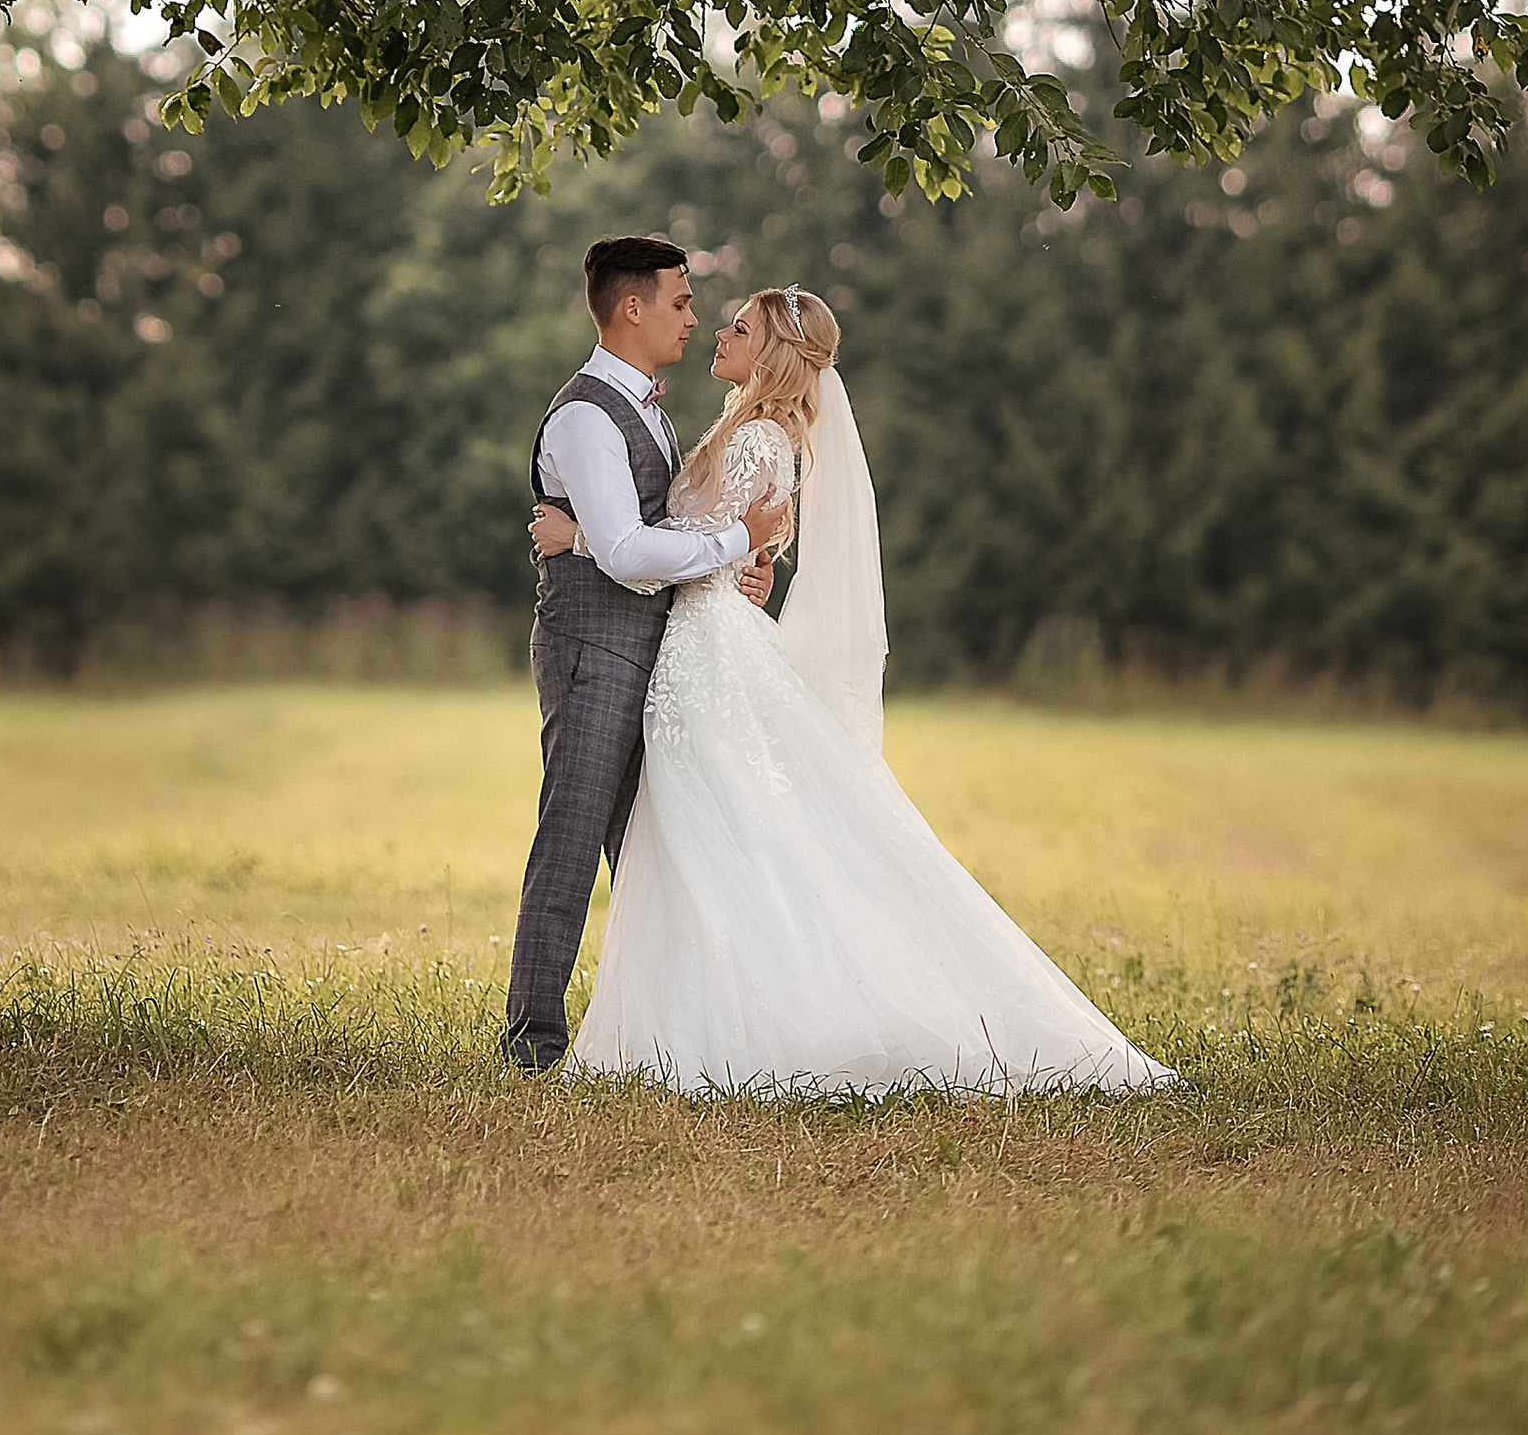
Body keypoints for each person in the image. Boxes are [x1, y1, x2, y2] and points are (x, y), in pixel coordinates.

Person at [530, 282, 1176, 1101]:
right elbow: (720, 547)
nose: (716, 332)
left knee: (732, 841)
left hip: (711, 657)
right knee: (701, 842)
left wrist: (580, 535)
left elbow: (694, 540)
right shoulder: (740, 428)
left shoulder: (763, 437)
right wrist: (743, 559)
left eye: (738, 326)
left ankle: (755, 1026)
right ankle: (680, 1022)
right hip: (697, 645)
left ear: (771, 353)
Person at [500, 236, 772, 1073]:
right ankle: (533, 1044)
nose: (693, 318)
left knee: (654, 849)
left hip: (647, 656)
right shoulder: (586, 414)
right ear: (633, 308)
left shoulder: (648, 408)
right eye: (682, 302)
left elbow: (634, 535)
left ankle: (673, 1035)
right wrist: (737, 538)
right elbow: (625, 550)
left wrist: (734, 569)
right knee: (573, 840)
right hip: (590, 650)